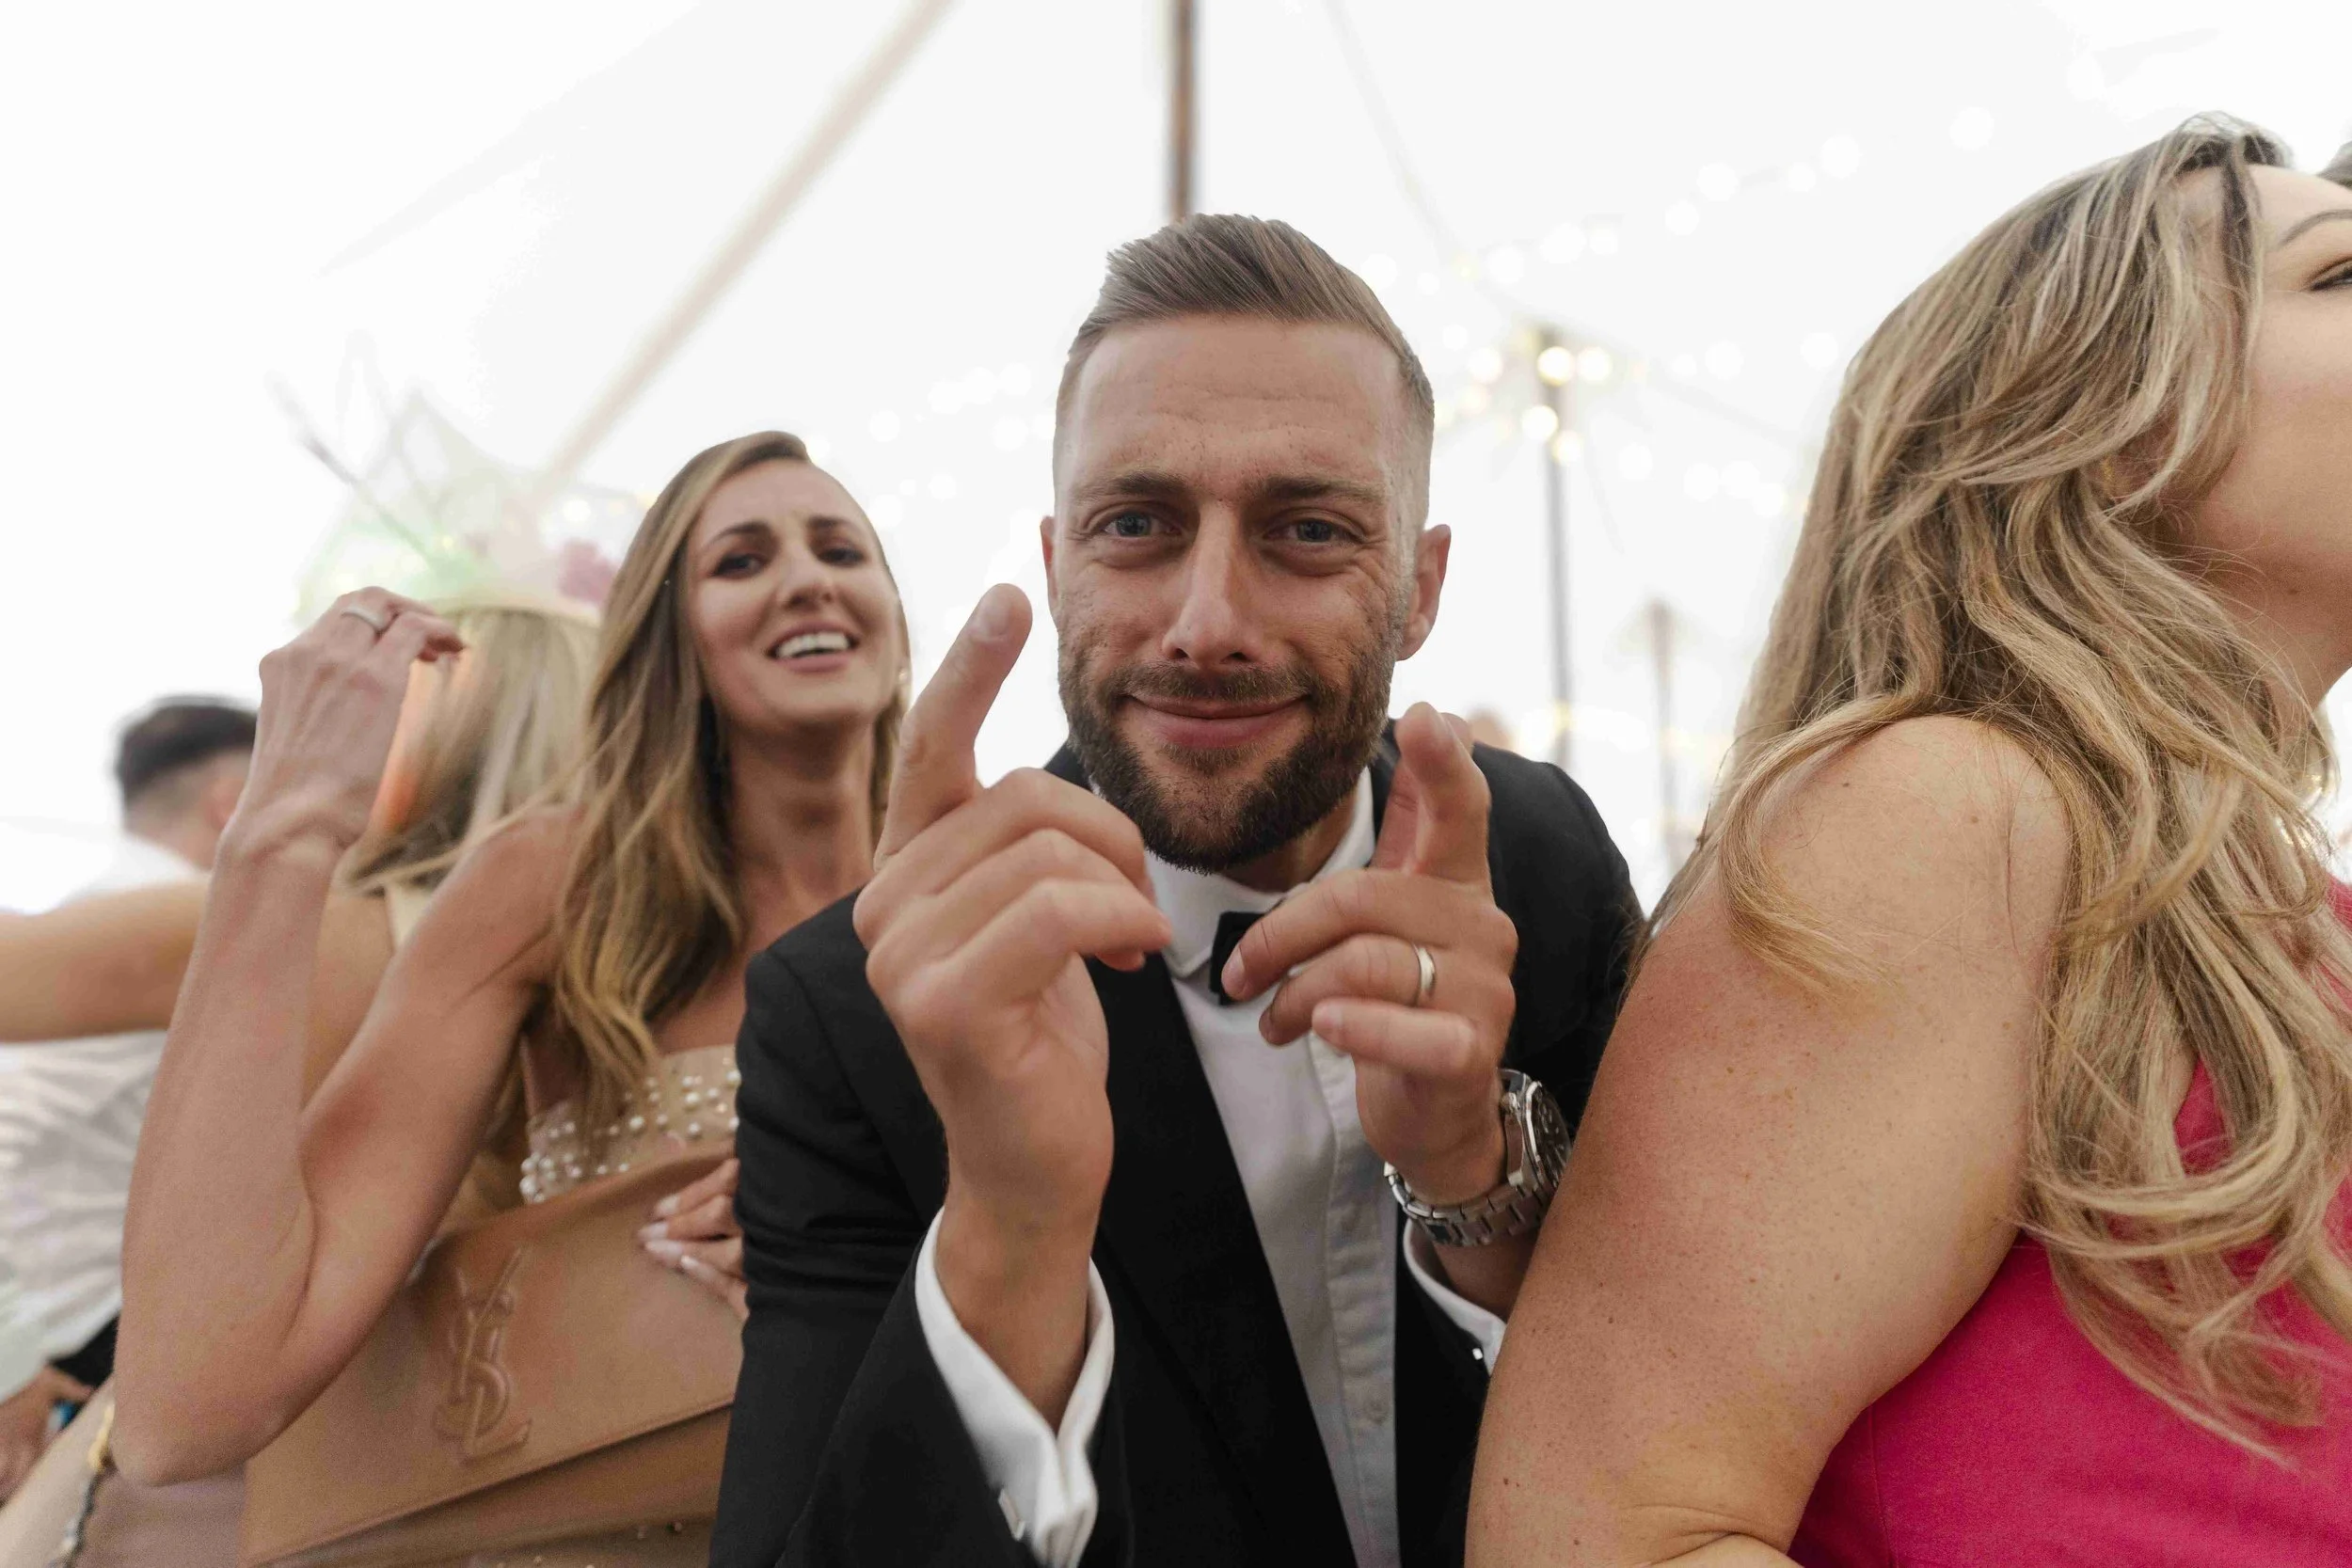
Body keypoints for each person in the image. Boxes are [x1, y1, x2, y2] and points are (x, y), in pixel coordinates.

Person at [1468, 118, 2352, 1566]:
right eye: (2342, 274)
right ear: (2117, 420)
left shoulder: (2293, 916)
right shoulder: (1957, 819)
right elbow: (1607, 1530)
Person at [713, 215, 1639, 1568]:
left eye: (1306, 530)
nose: (1207, 623)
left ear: (1420, 588)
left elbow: (1686, 1403)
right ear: (1055, 564)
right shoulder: (856, 1014)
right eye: (1137, 525)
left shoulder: (1542, 862)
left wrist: (1474, 1179)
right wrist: (1013, 1227)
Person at [108, 433, 909, 1568]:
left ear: (894, 614)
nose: (807, 579)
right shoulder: (554, 884)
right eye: (741, 559)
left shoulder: (971, 888)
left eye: (841, 549)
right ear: (663, 640)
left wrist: (884, 1215)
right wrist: (282, 830)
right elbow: (186, 1403)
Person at [0, 594, 597, 1563]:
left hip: (220, 1494)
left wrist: (4, 1347)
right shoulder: (642, 973)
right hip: (499, 1479)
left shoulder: (289, 926)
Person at [0, 698, 254, 1499]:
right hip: (77, 1331)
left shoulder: (102, 908)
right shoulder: (174, 928)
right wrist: (7, 1363)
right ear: (229, 802)